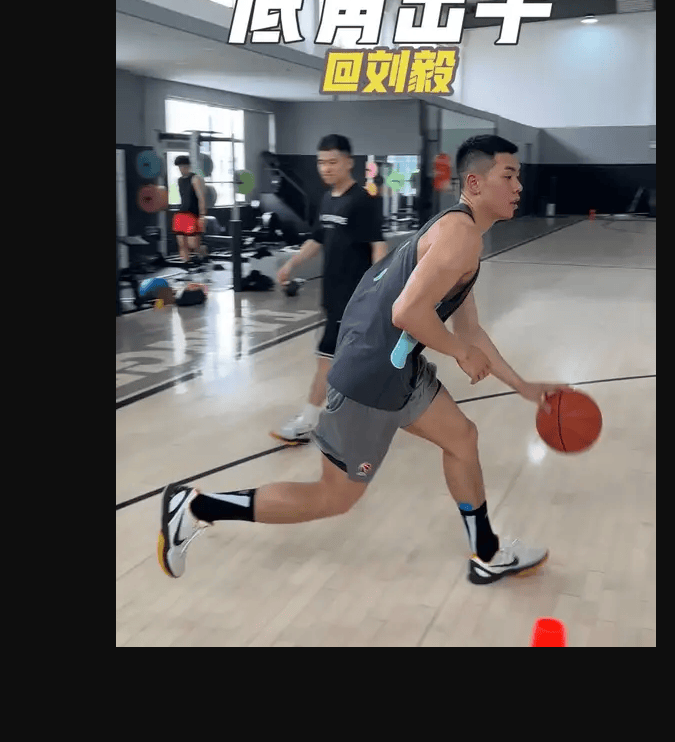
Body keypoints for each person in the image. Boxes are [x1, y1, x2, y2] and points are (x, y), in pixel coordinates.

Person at [158, 134, 565, 585]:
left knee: (462, 438)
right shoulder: (460, 236)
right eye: (509, 176)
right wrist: (459, 353)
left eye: (518, 177)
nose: (518, 187)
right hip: (370, 376)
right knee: (334, 497)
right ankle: (195, 507)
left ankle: (486, 553)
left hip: (397, 368)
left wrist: (521, 385)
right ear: (475, 182)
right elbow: (408, 313)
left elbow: (470, 330)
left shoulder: (461, 232)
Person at [270, 135, 388, 446]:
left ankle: (307, 422)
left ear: (349, 162)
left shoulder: (362, 201)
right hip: (332, 296)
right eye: (321, 162)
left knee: (327, 360)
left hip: (353, 298)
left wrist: (377, 289)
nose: (326, 168)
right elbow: (318, 239)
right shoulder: (327, 199)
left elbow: (378, 246)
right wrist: (291, 264)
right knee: (348, 362)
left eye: (333, 162)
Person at [171, 155, 208, 266]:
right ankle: (186, 264)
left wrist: (202, 216)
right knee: (181, 243)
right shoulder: (179, 180)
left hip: (193, 214)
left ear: (188, 166)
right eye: (179, 167)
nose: (181, 169)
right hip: (181, 213)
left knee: (193, 245)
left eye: (183, 166)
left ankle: (204, 253)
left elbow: (201, 198)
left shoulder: (195, 179)